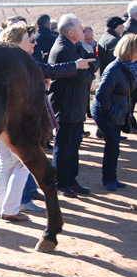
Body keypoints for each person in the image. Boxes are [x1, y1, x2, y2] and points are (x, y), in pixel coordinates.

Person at [0, 23, 93, 212]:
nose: (33, 43)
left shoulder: (3, 60)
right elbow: (48, 69)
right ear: (17, 42)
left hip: (3, 119)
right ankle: (11, 208)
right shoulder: (19, 60)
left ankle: (4, 207)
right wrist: (76, 65)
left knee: (5, 164)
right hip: (18, 119)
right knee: (21, 164)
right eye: (29, 39)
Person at [48, 14, 99, 198]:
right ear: (71, 32)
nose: (83, 30)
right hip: (65, 105)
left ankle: (71, 179)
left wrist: (87, 70)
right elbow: (78, 78)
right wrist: (89, 73)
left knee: (74, 144)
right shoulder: (63, 49)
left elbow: (94, 61)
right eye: (80, 27)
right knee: (64, 146)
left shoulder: (75, 46)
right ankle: (61, 182)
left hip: (75, 104)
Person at [92, 34, 137, 191]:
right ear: (131, 50)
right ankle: (109, 179)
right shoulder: (115, 69)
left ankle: (111, 178)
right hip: (105, 113)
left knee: (114, 146)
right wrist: (111, 113)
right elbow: (101, 94)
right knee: (113, 145)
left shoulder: (129, 67)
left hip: (117, 111)